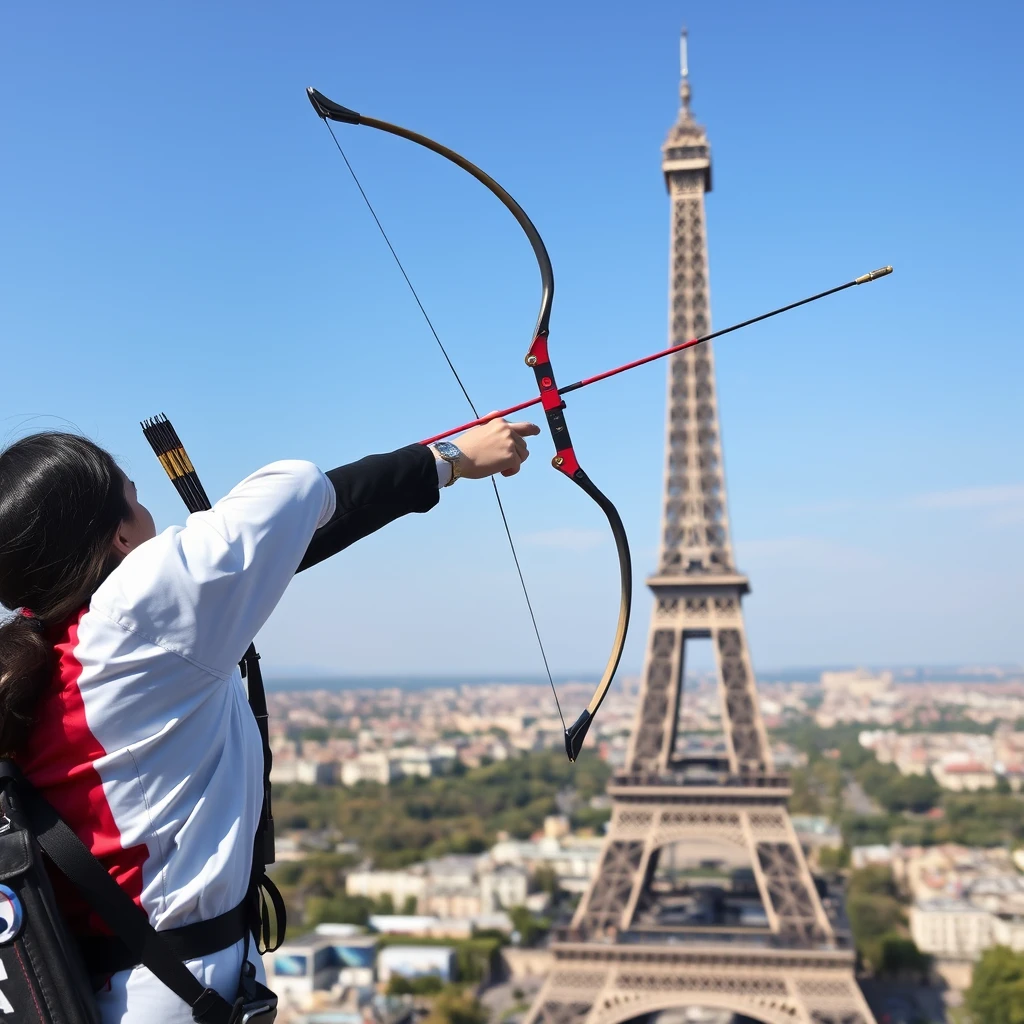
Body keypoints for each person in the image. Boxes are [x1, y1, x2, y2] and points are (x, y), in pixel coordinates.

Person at [0, 419, 538, 1023]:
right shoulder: (135, 621)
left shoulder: (49, 658)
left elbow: (286, 542)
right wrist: (450, 456)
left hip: (120, 983)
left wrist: (440, 465)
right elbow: (296, 487)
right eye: (135, 495)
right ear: (120, 537)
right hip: (169, 991)